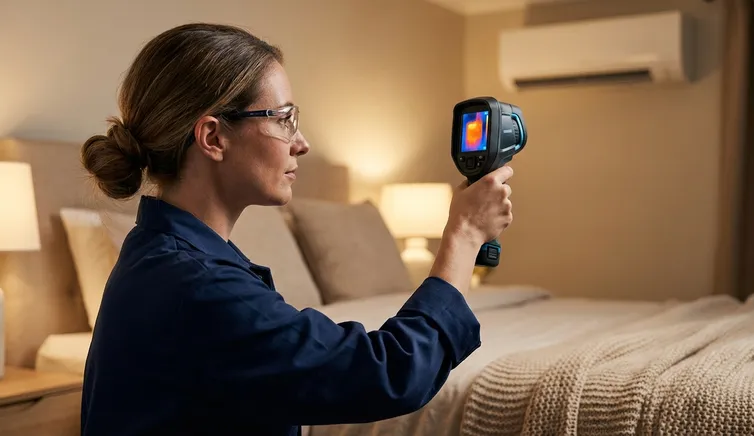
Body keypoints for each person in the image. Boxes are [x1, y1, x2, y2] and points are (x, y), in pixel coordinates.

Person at [79, 23, 514, 436]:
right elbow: (385, 373)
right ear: (213, 138)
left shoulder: (164, 256)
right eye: (284, 118)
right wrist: (464, 235)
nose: (301, 142)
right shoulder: (194, 285)